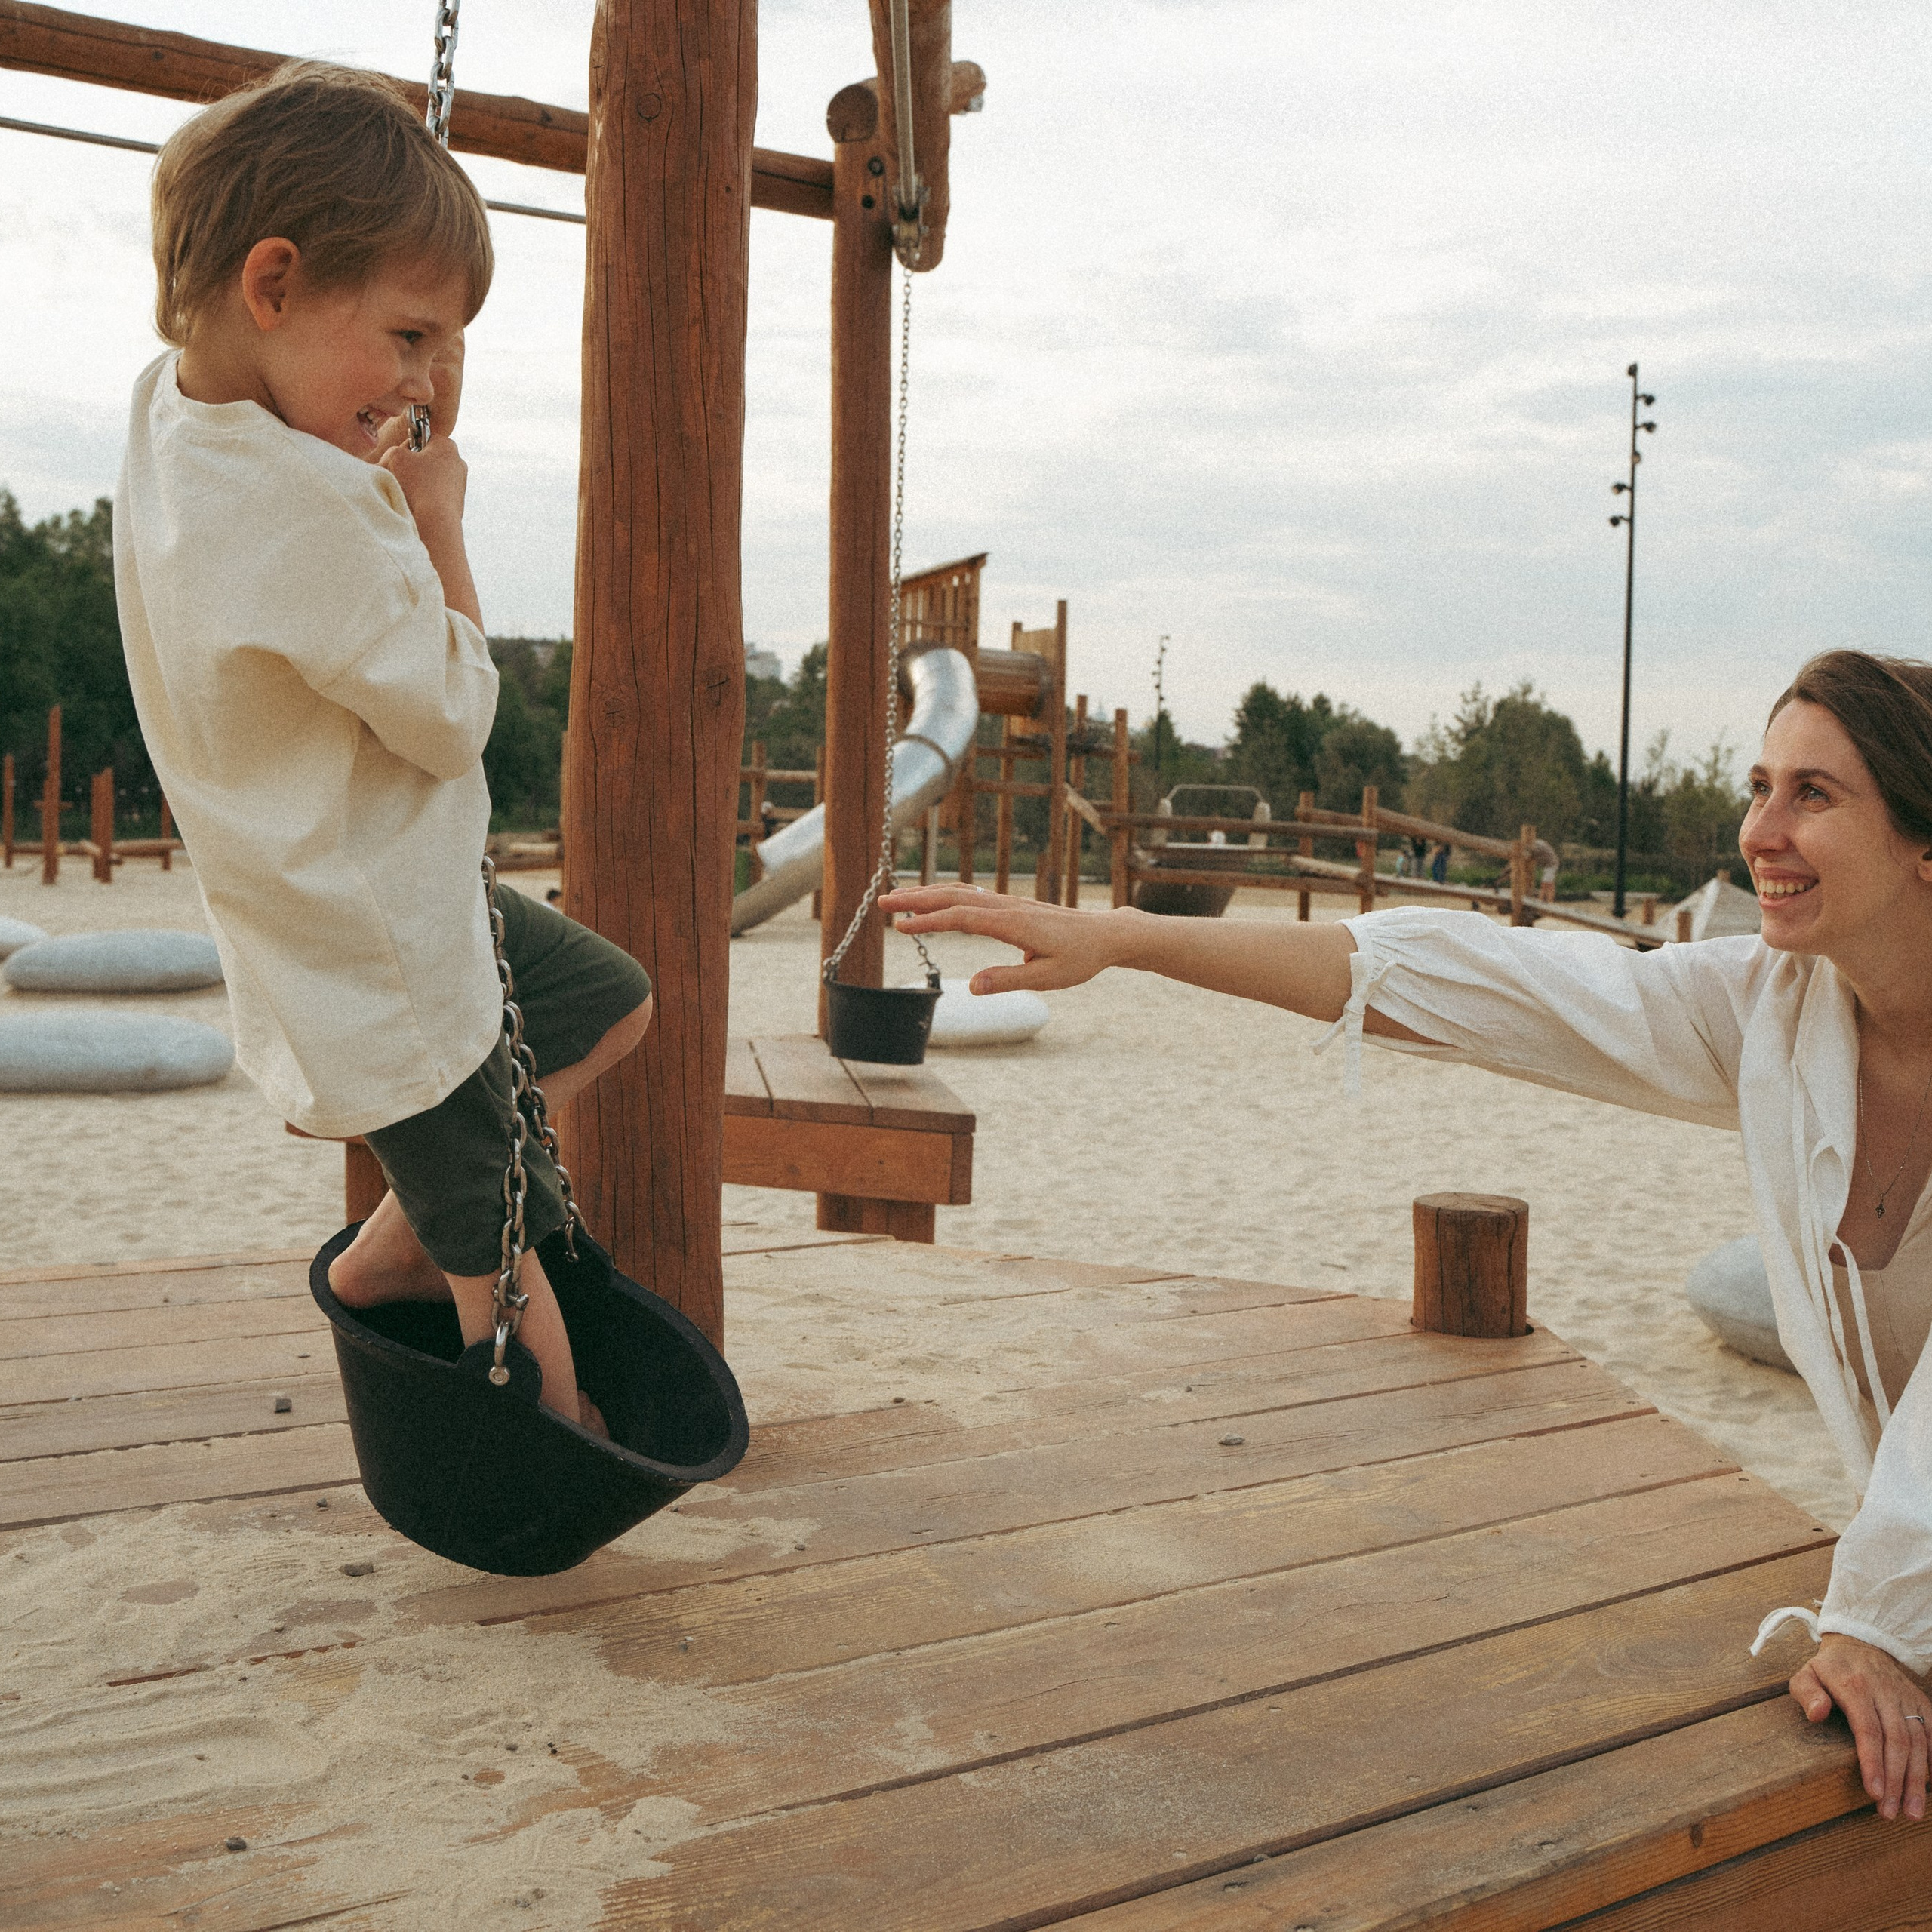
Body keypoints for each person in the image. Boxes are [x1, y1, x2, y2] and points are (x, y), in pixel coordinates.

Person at [881, 648, 1932, 1825]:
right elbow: (1487, 978)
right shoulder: (1781, 1013)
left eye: (1815, 795)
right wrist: (1129, 939)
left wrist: (1880, 1622)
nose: (1761, 830)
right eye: (1759, 785)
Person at [115, 63, 653, 1429]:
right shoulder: (323, 518)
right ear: (273, 282)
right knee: (515, 1293)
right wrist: (436, 515)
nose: (430, 380)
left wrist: (363, 443)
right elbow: (460, 713)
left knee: (602, 999)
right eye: (412, 337)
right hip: (389, 956)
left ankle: (407, 1238)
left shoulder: (170, 421)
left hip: (356, 896)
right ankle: (549, 1464)